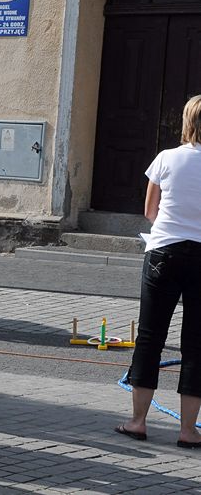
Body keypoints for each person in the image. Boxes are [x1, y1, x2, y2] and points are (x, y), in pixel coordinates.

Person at [116, 95, 201, 449]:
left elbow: (151, 210)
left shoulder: (165, 158)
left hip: (163, 250)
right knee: (197, 342)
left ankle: (138, 421)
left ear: (186, 120)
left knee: (151, 336)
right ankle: (187, 430)